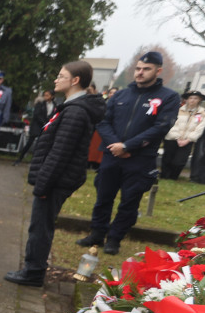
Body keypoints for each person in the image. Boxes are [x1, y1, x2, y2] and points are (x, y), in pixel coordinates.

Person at [6, 61, 105, 287]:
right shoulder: (71, 107)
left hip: (56, 181)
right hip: (56, 179)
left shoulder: (76, 112)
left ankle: (33, 272)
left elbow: (60, 153)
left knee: (40, 227)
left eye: (61, 76)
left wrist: (43, 185)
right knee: (41, 224)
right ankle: (33, 269)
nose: (56, 79)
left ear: (75, 80)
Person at [76, 51, 180, 254]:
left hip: (140, 159)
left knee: (129, 201)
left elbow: (161, 127)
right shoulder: (121, 95)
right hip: (112, 155)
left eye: (146, 69)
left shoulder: (169, 97)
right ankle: (97, 234)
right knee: (103, 197)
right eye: (138, 68)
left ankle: (114, 239)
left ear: (158, 71)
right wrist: (116, 145)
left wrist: (127, 146)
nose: (140, 72)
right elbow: (103, 121)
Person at [160, 91, 205, 180]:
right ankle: (164, 176)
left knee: (179, 161)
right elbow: (172, 124)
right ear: (186, 100)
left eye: (195, 98)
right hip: (172, 138)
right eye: (190, 98)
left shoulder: (202, 114)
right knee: (167, 158)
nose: (192, 100)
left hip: (187, 141)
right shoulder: (178, 110)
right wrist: (177, 137)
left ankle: (173, 177)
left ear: (200, 100)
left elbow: (199, 129)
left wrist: (188, 139)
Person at [14, 90, 56, 165]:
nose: (45, 97)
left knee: (40, 144)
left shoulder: (54, 105)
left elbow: (53, 115)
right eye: (45, 95)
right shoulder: (40, 103)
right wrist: (43, 122)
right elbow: (37, 114)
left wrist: (48, 122)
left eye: (47, 95)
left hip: (45, 126)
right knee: (30, 142)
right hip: (37, 125)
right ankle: (20, 158)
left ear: (52, 96)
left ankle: (34, 160)